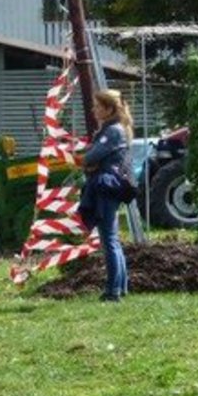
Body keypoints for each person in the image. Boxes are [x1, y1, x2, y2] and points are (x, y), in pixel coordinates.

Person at [82, 89, 133, 303]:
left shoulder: (112, 131)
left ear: (109, 109)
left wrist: (86, 159)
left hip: (105, 186)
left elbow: (91, 156)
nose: (94, 110)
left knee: (109, 240)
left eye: (97, 106)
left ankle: (112, 292)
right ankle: (120, 287)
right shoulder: (114, 129)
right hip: (110, 185)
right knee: (113, 239)